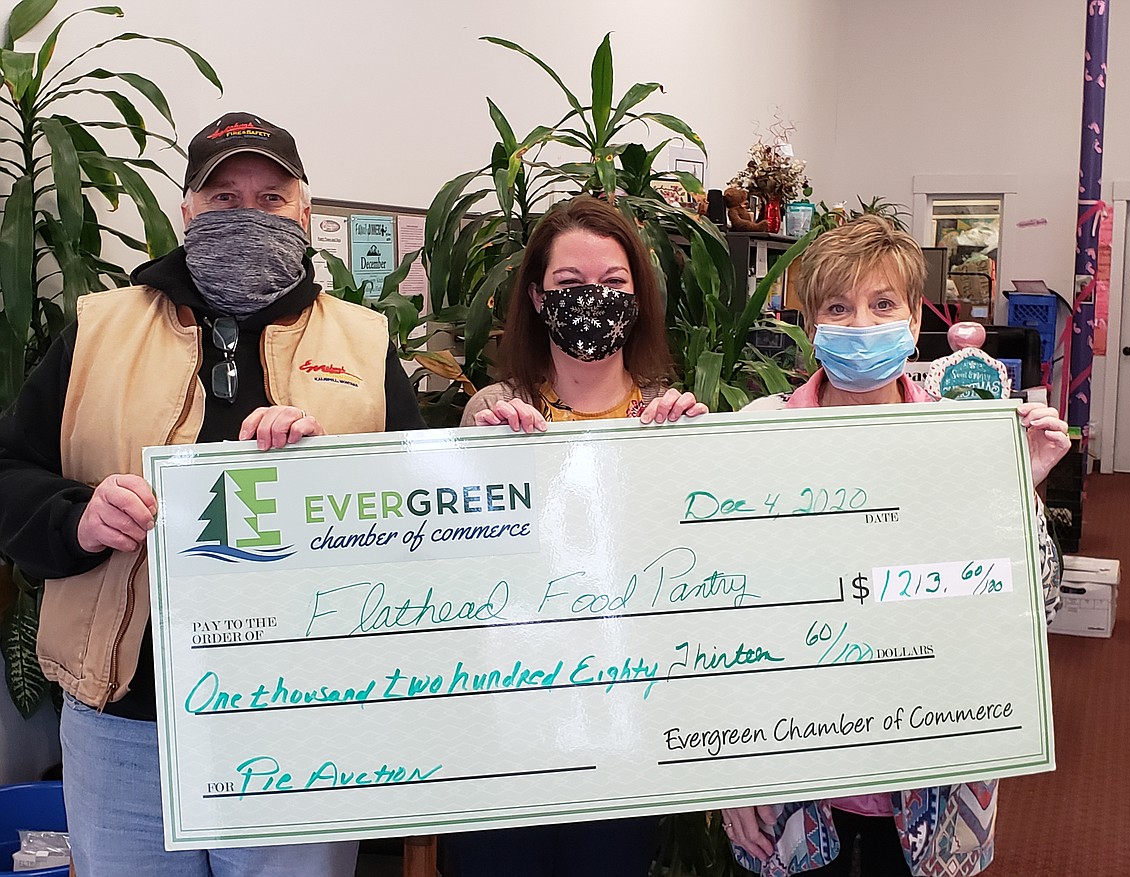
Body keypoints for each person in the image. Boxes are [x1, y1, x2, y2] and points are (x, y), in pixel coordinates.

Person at [0, 112, 425, 877]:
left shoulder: (366, 343)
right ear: (187, 211)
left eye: (270, 197)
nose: (247, 214)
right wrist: (78, 518)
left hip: (303, 722)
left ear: (305, 211)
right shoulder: (99, 330)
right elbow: (9, 469)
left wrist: (332, 482)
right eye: (224, 197)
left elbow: (417, 517)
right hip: (125, 724)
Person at [721, 215, 1070, 877]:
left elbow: (1040, 607)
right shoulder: (756, 437)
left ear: (915, 321)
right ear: (813, 324)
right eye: (838, 306)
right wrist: (729, 775)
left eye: (883, 305)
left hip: (931, 798)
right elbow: (719, 616)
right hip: (794, 794)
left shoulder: (964, 440)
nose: (860, 324)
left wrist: (1019, 490)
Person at [443, 195, 707, 877]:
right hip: (506, 732)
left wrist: (695, 456)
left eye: (614, 284)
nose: (593, 300)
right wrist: (479, 466)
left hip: (620, 728)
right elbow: (453, 579)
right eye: (569, 286)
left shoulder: (668, 418)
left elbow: (697, 572)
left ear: (639, 297)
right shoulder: (493, 411)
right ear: (535, 297)